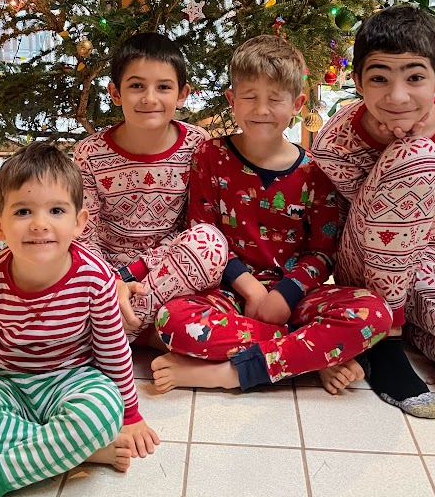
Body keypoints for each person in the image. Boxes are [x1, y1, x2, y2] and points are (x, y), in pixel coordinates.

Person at [0, 143, 159, 497]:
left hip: (73, 381)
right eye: (23, 211)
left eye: (56, 210)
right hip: (9, 386)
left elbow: (112, 348)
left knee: (101, 411)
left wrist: (130, 413)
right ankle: (77, 450)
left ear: (78, 222)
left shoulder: (95, 277)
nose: (40, 224)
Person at [151, 36, 392, 395]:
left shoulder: (316, 172)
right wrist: (249, 289)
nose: (261, 109)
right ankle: (310, 353)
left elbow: (322, 252)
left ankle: (234, 373)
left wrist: (285, 294)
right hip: (229, 293)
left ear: (296, 104)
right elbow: (202, 232)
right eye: (249, 96)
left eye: (274, 99)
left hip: (294, 297)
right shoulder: (209, 156)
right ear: (232, 101)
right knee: (173, 320)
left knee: (375, 313)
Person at [312, 4, 435, 418]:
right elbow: (342, 227)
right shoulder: (334, 142)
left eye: (415, 77)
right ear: (358, 82)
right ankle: (387, 338)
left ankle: (425, 335)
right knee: (415, 158)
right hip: (362, 267)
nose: (397, 97)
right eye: (379, 78)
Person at [73, 32, 228, 339]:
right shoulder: (89, 153)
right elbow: (82, 236)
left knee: (209, 243)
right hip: (105, 276)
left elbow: (195, 225)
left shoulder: (198, 144)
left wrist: (141, 272)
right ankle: (140, 330)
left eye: (163, 87)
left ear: (182, 94)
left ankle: (120, 330)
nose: (149, 98)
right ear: (115, 93)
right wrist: (112, 282)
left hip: (168, 274)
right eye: (136, 86)